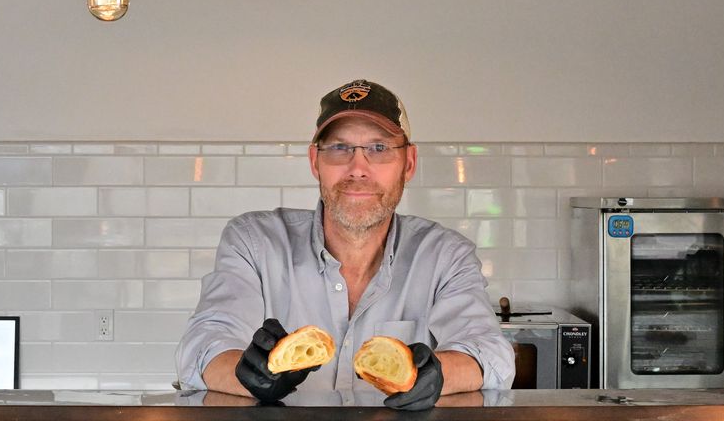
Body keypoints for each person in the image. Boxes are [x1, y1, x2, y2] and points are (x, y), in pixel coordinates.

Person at [175, 79, 515, 409]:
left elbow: (490, 355)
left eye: (379, 148)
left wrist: (438, 375)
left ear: (408, 164)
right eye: (339, 148)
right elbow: (204, 346)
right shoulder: (253, 242)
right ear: (314, 162)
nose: (358, 168)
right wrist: (246, 375)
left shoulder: (445, 256)